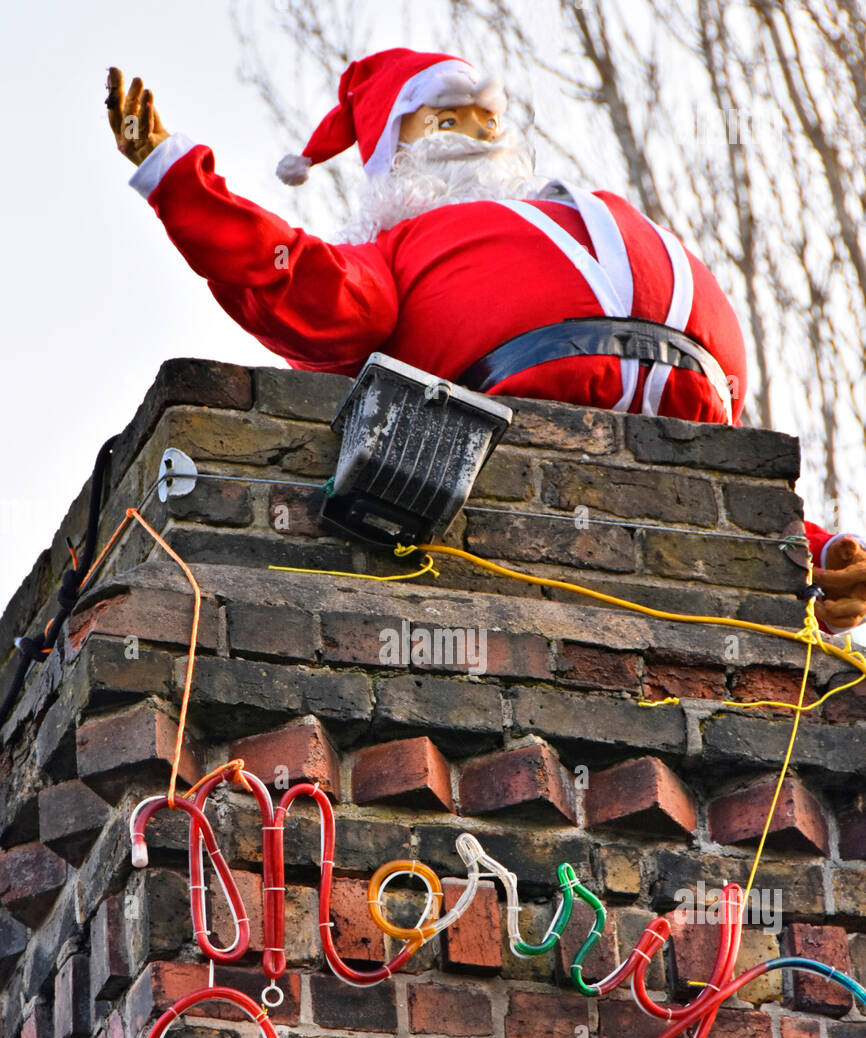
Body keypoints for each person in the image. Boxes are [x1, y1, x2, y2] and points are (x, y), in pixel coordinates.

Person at [106, 47, 866, 634]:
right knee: (705, 484)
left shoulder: (455, 234)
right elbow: (314, 288)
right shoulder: (408, 244)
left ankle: (823, 564)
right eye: (444, 121)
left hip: (677, 387)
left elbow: (313, 299)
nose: (473, 137)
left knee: (716, 481)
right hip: (647, 383)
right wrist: (180, 180)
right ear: (392, 157)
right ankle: (815, 560)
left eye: (486, 122)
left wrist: (816, 551)